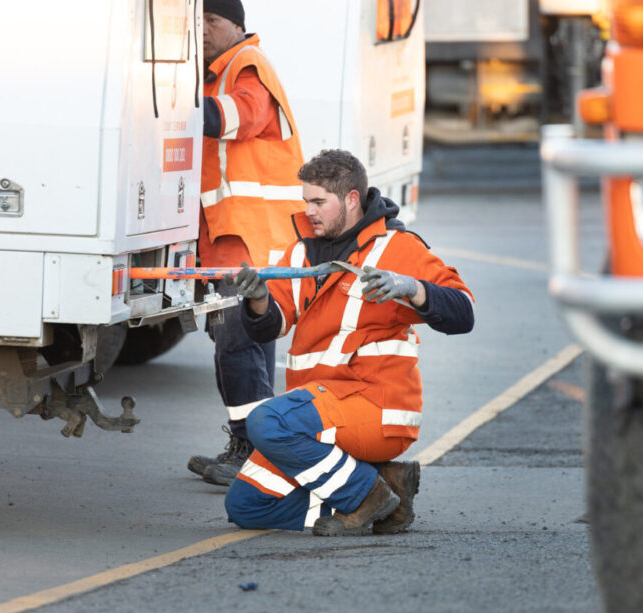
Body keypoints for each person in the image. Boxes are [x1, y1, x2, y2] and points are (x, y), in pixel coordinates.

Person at [221, 150, 475, 535]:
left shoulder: (398, 248)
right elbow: (269, 328)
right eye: (306, 201)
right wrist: (257, 301)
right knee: (246, 507)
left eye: (319, 202)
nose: (309, 211)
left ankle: (363, 495)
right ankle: (384, 491)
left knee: (264, 421)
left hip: (375, 407)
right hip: (318, 413)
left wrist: (412, 288)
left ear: (352, 200)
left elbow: (464, 313)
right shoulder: (302, 251)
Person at [187, 0, 306, 486]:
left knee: (236, 347)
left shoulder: (247, 65)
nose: (204, 31)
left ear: (237, 25)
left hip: (252, 242)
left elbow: (236, 118)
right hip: (234, 239)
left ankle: (254, 452)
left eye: (213, 21)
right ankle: (253, 445)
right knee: (243, 346)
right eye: (198, 23)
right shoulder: (215, 73)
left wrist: (170, 102)